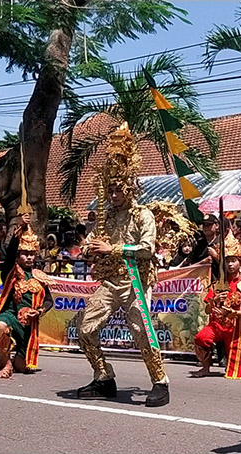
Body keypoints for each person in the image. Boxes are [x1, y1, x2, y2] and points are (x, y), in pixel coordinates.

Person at [75, 124, 169, 407]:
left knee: (141, 331)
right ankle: (104, 376)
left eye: (119, 189)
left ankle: (160, 382)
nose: (114, 194)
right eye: (111, 189)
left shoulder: (142, 215)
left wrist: (112, 248)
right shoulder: (107, 217)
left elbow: (147, 249)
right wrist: (87, 248)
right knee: (85, 328)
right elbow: (92, 239)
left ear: (129, 189)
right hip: (110, 281)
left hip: (136, 280)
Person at [0, 213, 54, 379]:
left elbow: (49, 300)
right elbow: (10, 252)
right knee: (0, 326)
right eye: (24, 254)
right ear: (18, 255)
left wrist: (40, 311)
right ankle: (6, 363)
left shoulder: (39, 276)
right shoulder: (11, 271)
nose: (29, 257)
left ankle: (6, 357)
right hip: (11, 316)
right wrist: (20, 228)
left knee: (24, 368)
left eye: (31, 254)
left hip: (28, 326)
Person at [193, 233, 241, 379]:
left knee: (234, 374)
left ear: (240, 263)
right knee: (201, 338)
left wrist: (235, 314)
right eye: (227, 261)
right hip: (217, 325)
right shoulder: (218, 284)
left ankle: (238, 363)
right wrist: (214, 300)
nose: (230, 264)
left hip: (237, 328)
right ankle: (206, 367)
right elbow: (206, 310)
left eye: (233, 261)